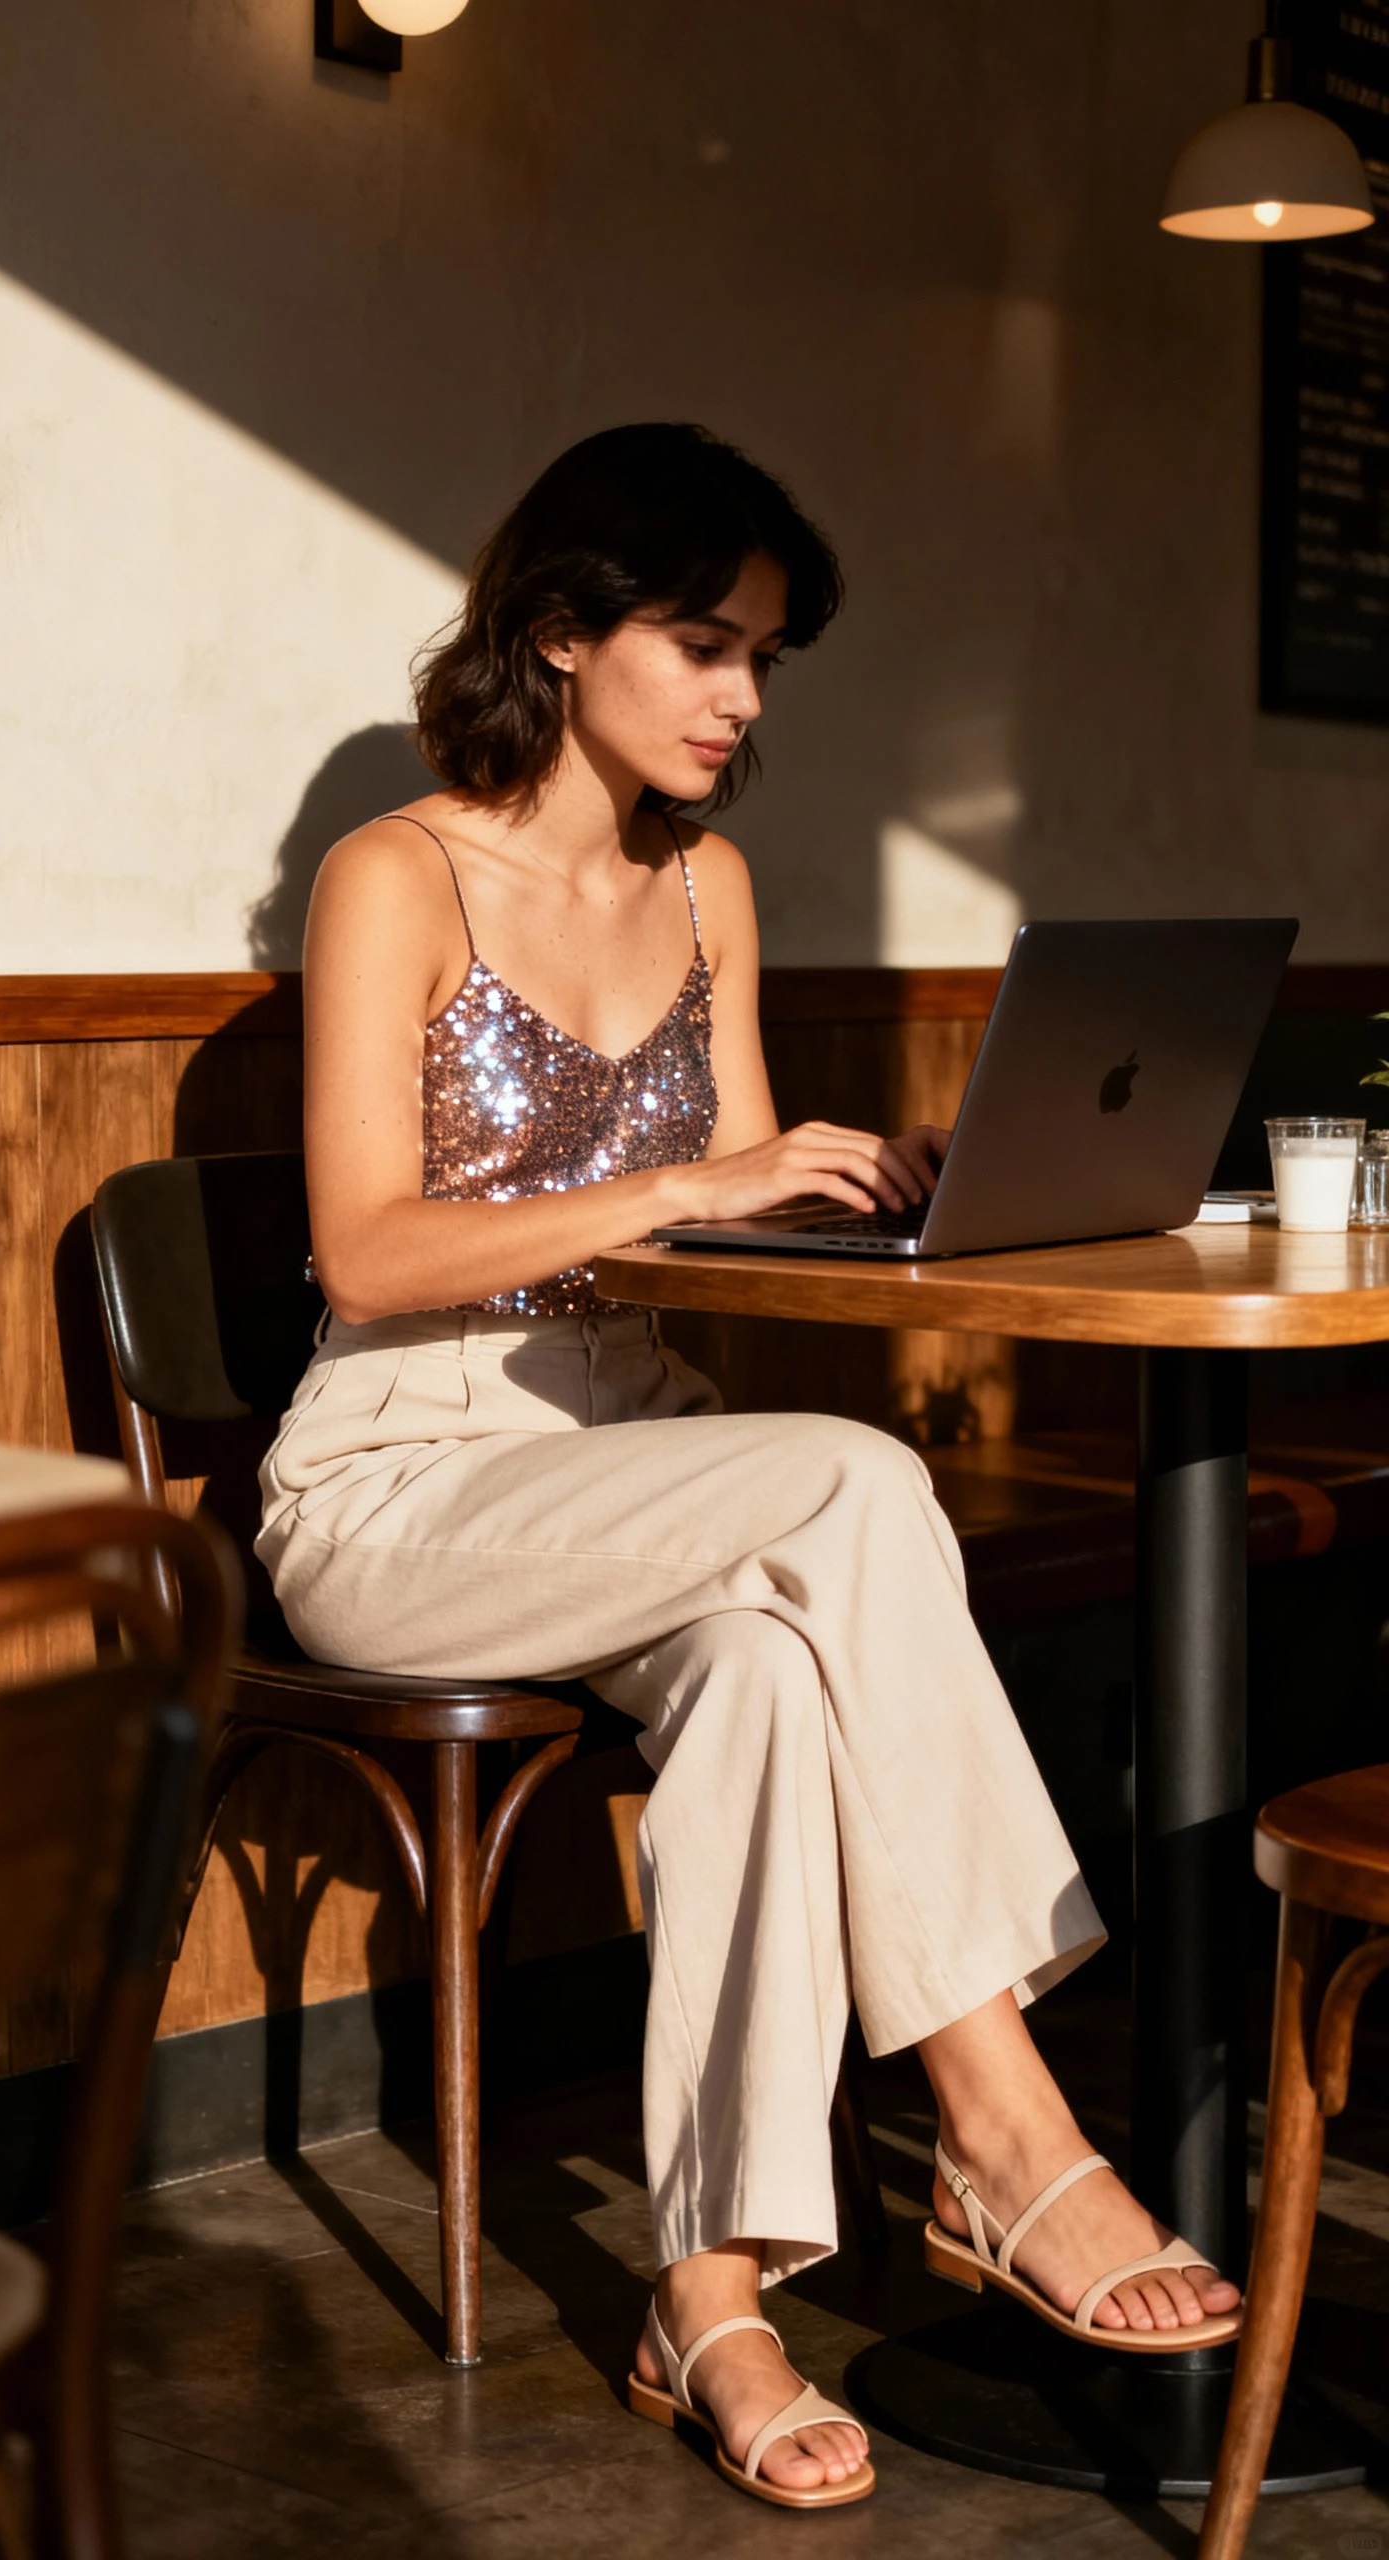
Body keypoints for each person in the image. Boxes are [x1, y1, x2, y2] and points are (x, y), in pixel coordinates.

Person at [257, 423, 1241, 2513]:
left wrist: (888, 1197)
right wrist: (693, 1178)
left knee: (777, 1676)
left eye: (764, 658)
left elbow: (730, 1218)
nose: (741, 698)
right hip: (404, 1478)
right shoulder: (394, 875)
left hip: (645, 1453)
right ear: (559, 628)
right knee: (860, 1488)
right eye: (703, 643)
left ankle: (702, 2298)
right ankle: (1005, 2124)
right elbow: (366, 1251)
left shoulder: (707, 886)